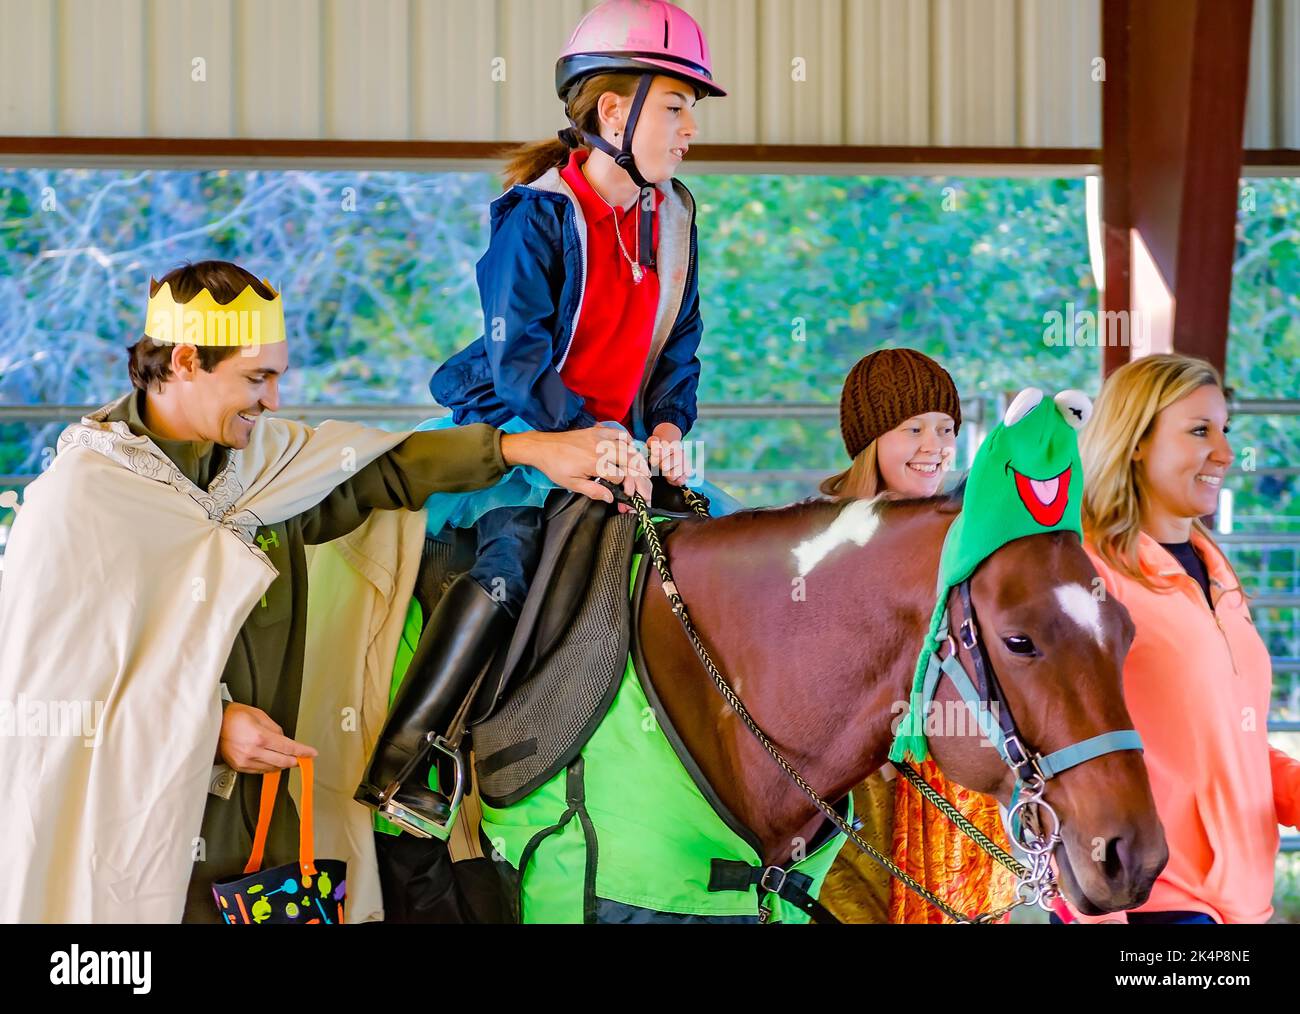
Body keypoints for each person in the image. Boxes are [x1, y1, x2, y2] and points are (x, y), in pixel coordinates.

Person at [0, 259, 646, 923]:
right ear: (187, 360)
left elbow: (382, 471)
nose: (274, 400)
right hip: (152, 829)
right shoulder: (82, 503)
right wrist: (211, 724)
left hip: (276, 834)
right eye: (257, 378)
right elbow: (55, 698)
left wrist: (526, 451)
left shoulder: (261, 469)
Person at [355, 0, 730, 841]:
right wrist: (586, 438)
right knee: (509, 563)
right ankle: (410, 762)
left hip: (626, 443)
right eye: (675, 108)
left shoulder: (677, 217)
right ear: (611, 113)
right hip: (525, 426)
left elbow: (682, 343)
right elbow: (517, 357)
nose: (689, 130)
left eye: (691, 112)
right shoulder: (537, 216)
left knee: (720, 537)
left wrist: (668, 426)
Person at [1062, 353, 1300, 923]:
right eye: (1199, 431)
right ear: (1136, 441)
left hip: (1242, 906)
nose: (1224, 452)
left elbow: (1230, 745)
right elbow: (1051, 753)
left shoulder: (1215, 571)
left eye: (1225, 430)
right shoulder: (1084, 573)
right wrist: (1096, 914)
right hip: (1152, 907)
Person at [817, 348, 1017, 923]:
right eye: (914, 429)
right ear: (870, 438)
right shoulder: (833, 539)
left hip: (959, 778)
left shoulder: (966, 534)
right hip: (867, 784)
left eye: (946, 428)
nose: (936, 446)